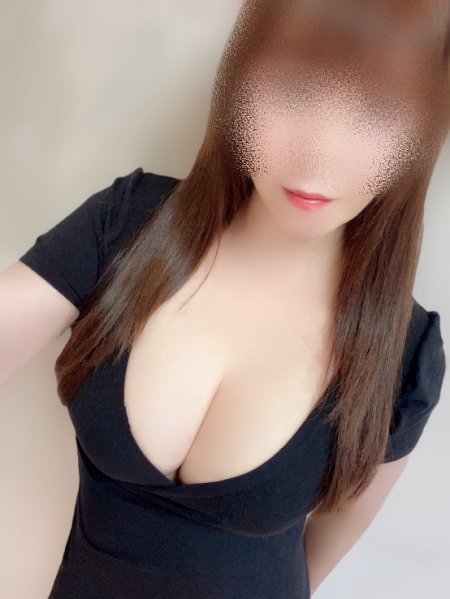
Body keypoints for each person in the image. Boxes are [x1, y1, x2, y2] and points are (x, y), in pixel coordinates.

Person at [1, 1, 449, 597]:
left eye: (374, 114)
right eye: (290, 93)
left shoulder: (405, 357)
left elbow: (322, 555)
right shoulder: (124, 228)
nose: (317, 155)